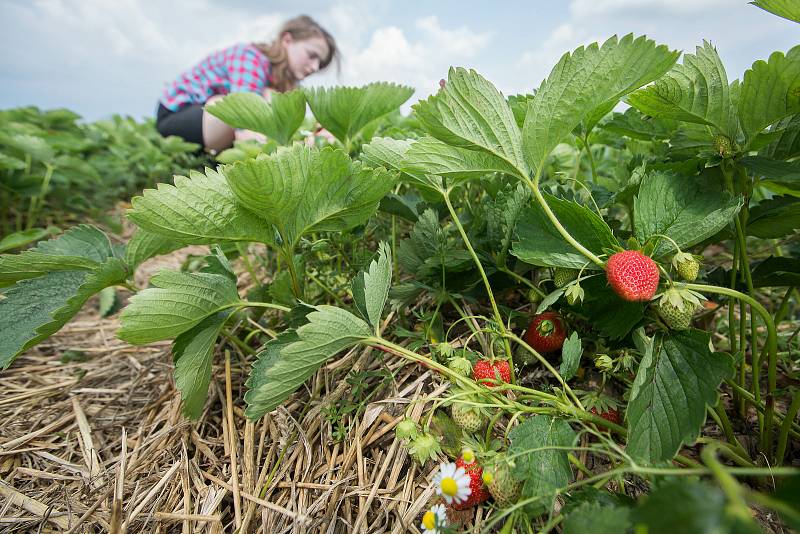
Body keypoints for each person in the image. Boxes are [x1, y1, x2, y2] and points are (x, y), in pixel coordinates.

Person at [155, 15, 338, 152]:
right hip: (176, 116)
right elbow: (244, 117)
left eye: (320, 63)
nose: (314, 67)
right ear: (287, 40)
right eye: (312, 55)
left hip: (208, 128)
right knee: (251, 102)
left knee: (275, 103)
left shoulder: (286, 83)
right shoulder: (250, 58)